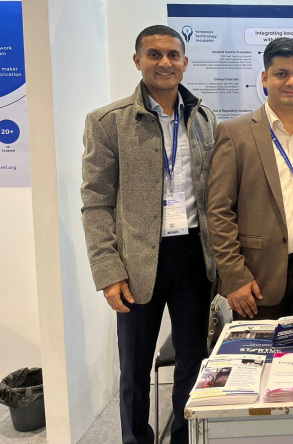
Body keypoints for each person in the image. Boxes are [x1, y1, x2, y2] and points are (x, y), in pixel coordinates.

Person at [81, 25, 217, 444]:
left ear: (185, 63)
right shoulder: (108, 122)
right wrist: (108, 271)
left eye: (173, 55)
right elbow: (95, 202)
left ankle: (185, 437)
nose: (165, 62)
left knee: (193, 360)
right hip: (137, 261)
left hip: (193, 257)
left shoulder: (204, 119)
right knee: (136, 367)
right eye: (154, 54)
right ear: (137, 60)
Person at [207, 37, 293, 321]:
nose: (291, 82)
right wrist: (234, 276)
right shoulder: (235, 134)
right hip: (257, 278)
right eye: (281, 73)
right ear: (265, 78)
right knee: (256, 350)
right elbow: (219, 211)